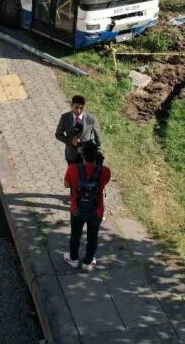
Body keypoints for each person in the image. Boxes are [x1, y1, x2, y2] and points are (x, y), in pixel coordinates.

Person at [63, 141, 111, 271]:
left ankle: (73, 259)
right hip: (96, 211)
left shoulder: (73, 169)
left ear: (82, 155)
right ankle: (88, 262)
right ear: (97, 156)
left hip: (77, 209)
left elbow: (66, 185)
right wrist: (99, 165)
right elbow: (103, 182)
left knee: (75, 235)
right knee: (92, 237)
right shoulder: (105, 172)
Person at [54, 95, 101, 165]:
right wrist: (70, 141)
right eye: (76, 107)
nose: (78, 111)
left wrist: (90, 147)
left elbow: (98, 140)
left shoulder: (91, 119)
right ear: (71, 105)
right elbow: (58, 134)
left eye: (81, 108)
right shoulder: (65, 118)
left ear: (84, 106)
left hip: (87, 157)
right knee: (73, 174)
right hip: (71, 155)